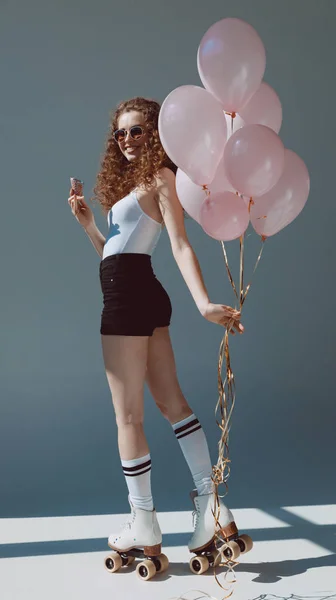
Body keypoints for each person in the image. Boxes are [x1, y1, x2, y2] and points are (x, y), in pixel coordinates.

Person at [67, 97, 244, 566]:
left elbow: (181, 244)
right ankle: (211, 504)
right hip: (137, 292)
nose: (127, 140)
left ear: (157, 134)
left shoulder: (161, 179)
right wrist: (89, 225)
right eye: (120, 133)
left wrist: (204, 303)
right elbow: (116, 252)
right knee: (172, 403)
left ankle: (143, 520)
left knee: (130, 418)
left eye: (137, 131)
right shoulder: (138, 186)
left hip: (128, 300)